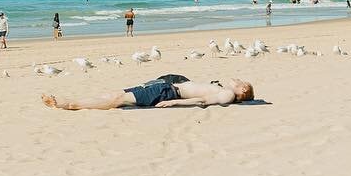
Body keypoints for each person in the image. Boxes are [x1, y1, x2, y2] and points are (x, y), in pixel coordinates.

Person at [42, 74, 255, 111]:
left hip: (168, 93)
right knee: (116, 95)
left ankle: (70, 104)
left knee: (118, 99)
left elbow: (202, 101)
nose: (237, 80)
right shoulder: (225, 89)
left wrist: (174, 103)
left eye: (241, 82)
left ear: (242, 90)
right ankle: (75, 101)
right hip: (167, 88)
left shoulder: (228, 95)